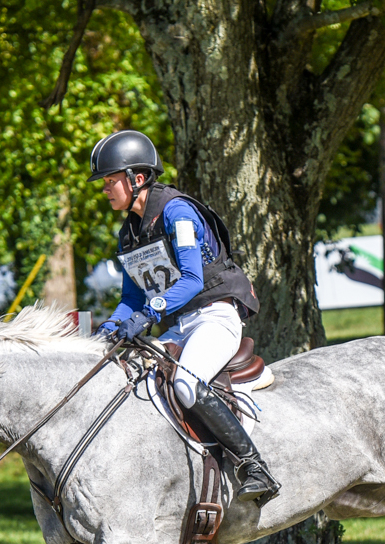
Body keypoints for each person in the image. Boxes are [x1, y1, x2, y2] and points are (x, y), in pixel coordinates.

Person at [90, 129, 279, 505]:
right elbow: (131, 298)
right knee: (136, 383)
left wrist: (148, 315)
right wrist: (108, 330)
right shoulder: (128, 235)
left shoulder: (177, 212)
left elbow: (192, 279)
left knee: (186, 385)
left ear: (137, 178)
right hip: (180, 326)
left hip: (215, 316)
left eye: (111, 181)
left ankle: (254, 466)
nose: (106, 189)